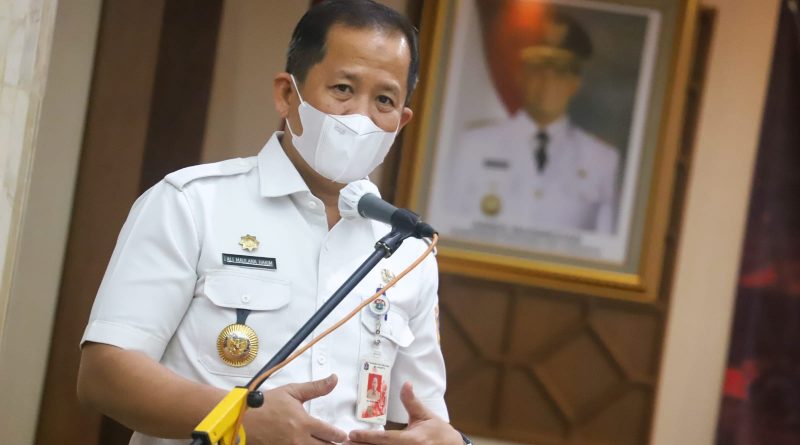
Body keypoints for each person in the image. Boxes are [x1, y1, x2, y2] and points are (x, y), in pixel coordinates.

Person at [76, 1, 467, 444]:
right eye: (343, 88)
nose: (361, 117)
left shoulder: (408, 250)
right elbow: (104, 375)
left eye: (384, 100)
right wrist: (237, 416)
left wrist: (447, 441)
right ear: (287, 94)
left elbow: (421, 421)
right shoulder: (192, 203)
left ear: (402, 120)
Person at [437, 10, 620, 238]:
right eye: (538, 68)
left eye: (560, 71)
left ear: (575, 83)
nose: (547, 81)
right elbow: (444, 227)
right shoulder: (474, 145)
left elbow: (603, 246)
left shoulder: (602, 160)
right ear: (520, 75)